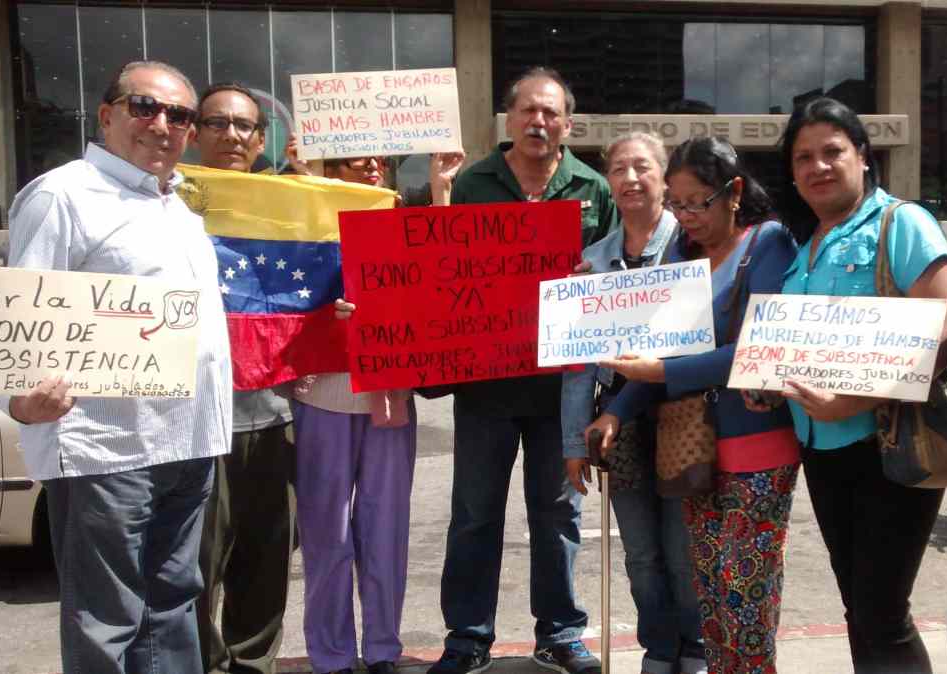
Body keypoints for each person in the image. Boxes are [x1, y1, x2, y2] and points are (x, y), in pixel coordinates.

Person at [0, 60, 232, 673]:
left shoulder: (181, 205)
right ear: (107, 115)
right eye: (144, 107)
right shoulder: (62, 195)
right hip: (107, 449)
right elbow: (17, 322)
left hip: (188, 442)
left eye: (179, 115)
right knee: (107, 620)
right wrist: (21, 402)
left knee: (173, 605)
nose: (162, 124)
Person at [585, 136, 800, 674]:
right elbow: (667, 346)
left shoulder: (770, 243)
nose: (686, 216)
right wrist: (618, 408)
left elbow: (756, 350)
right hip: (691, 448)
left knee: (745, 596)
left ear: (733, 192)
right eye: (677, 205)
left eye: (697, 202)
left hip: (757, 444)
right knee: (711, 599)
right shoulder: (682, 251)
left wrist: (660, 372)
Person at [768, 97, 947, 674]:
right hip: (823, 451)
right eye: (803, 157)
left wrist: (851, 401)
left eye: (832, 152)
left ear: (862, 156)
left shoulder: (900, 223)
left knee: (881, 610)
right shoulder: (802, 245)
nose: (818, 167)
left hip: (890, 444)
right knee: (860, 606)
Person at [430, 66, 617, 674]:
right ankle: (467, 636)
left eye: (552, 113)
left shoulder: (593, 188)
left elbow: (620, 281)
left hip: (562, 390)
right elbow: (435, 270)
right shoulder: (472, 183)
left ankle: (560, 633)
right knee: (475, 513)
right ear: (509, 118)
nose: (539, 122)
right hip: (484, 385)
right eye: (528, 111)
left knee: (559, 514)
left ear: (569, 123)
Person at [293, 150, 464, 674]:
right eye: (355, 164)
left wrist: (441, 190)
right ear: (330, 172)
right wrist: (301, 178)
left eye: (379, 163)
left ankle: (383, 649)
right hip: (321, 396)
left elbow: (444, 262)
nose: (371, 171)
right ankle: (331, 654)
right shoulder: (307, 224)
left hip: (389, 394)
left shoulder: (397, 219)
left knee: (385, 527)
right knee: (328, 532)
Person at [560, 131, 704, 674]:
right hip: (615, 422)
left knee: (682, 546)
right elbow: (578, 362)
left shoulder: (692, 248)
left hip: (684, 415)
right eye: (619, 169)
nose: (630, 179)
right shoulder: (592, 263)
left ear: (664, 177)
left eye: (642, 167)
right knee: (641, 552)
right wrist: (575, 440)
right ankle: (660, 648)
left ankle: (695, 647)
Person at [188, 82, 298, 674]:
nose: (231, 135)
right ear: (196, 131)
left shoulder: (289, 206)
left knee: (266, 562)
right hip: (194, 422)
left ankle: (253, 667)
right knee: (194, 569)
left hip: (275, 418)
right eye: (217, 123)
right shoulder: (168, 201)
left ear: (261, 141)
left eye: (245, 127)